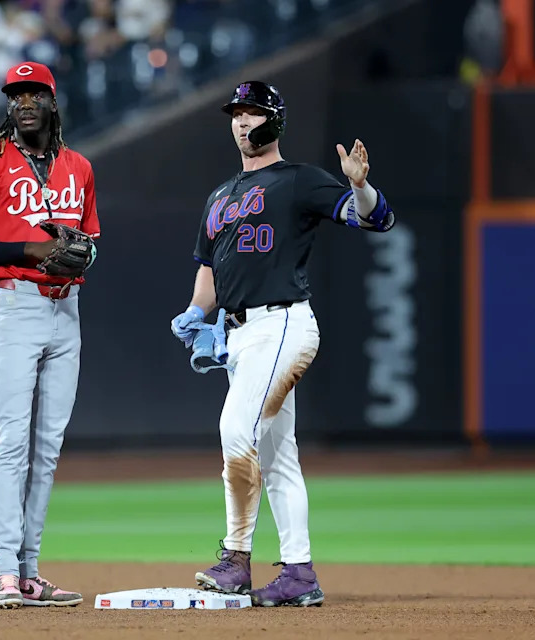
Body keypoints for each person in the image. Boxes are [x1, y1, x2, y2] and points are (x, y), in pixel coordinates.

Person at [169, 80, 395, 608]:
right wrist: (194, 313)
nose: (242, 121)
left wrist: (361, 186)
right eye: (236, 114)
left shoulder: (297, 181)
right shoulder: (220, 196)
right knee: (277, 459)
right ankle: (299, 573)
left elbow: (376, 218)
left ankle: (236, 559)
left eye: (252, 112)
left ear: (275, 120)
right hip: (241, 334)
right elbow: (209, 271)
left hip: (283, 324)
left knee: (234, 428)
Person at [0, 61, 100, 609]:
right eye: (17, 93)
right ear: (8, 105)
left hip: (66, 311)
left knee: (48, 448)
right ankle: (2, 572)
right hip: (9, 307)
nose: (26, 101)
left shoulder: (78, 167)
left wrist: (79, 254)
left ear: (53, 102)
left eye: (35, 92)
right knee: (10, 443)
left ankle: (29, 572)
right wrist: (31, 251)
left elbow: (92, 243)